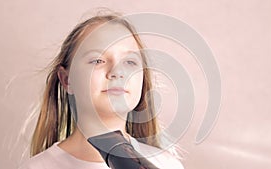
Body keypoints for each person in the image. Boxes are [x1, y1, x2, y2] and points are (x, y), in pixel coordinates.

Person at [19, 11, 184, 169]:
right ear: (67, 80)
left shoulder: (168, 165)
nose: (117, 72)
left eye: (130, 62)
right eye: (98, 60)